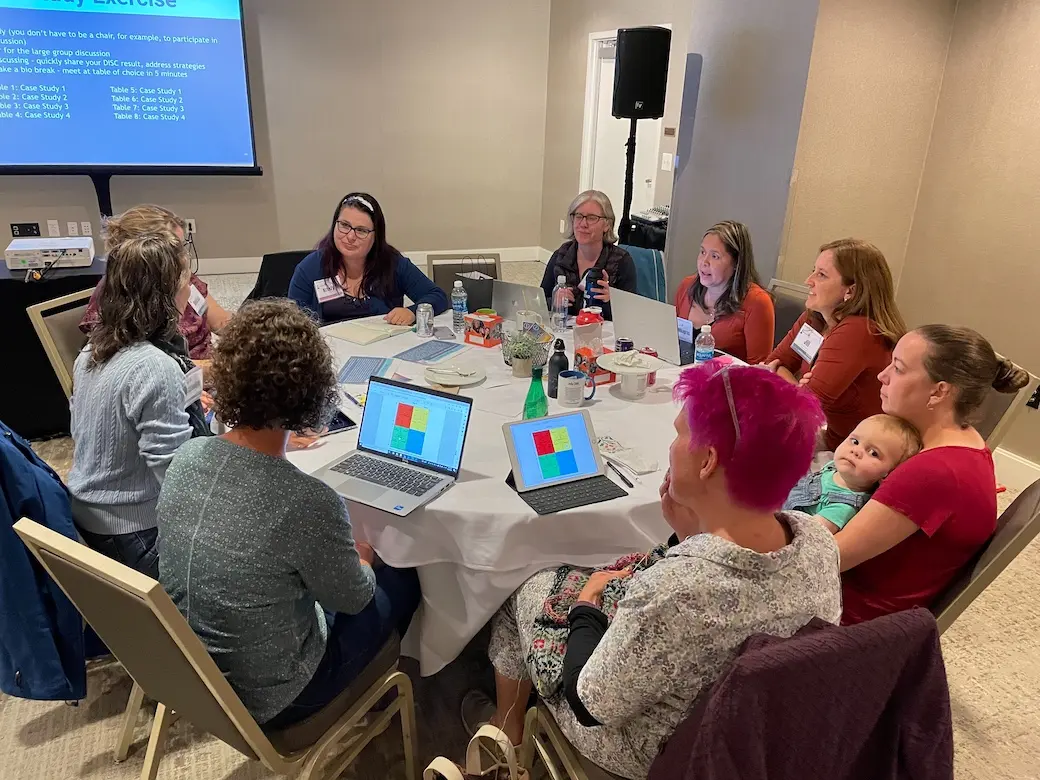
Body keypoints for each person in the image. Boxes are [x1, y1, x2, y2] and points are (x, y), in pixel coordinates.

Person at [469, 362, 842, 779]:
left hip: (654, 751)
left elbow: (589, 702)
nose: (673, 445)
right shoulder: (817, 542)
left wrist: (588, 602)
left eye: (680, 434)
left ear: (708, 461)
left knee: (524, 585)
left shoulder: (677, 590)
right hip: (753, 735)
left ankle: (508, 739)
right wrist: (688, 534)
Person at [157, 299, 421, 728]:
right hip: (278, 697)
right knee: (404, 574)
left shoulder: (187, 456)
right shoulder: (307, 500)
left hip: (196, 676)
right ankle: (375, 694)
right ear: (311, 392)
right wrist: (366, 555)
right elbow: (354, 596)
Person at [836, 325, 1029, 624]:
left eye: (898, 369)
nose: (882, 376)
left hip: (847, 622)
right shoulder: (966, 442)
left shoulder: (934, 472)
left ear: (939, 391)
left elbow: (828, 558)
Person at [67, 233, 210, 579]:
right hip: (137, 533)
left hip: (92, 517)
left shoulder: (91, 352)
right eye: (185, 283)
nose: (190, 293)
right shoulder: (155, 366)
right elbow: (180, 481)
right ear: (165, 296)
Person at [764, 238, 907, 451]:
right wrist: (796, 385)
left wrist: (789, 381)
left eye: (821, 275)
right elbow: (771, 364)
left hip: (859, 457)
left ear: (851, 291)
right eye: (814, 271)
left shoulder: (859, 331)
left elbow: (804, 409)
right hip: (831, 440)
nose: (808, 280)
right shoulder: (815, 318)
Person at [80, 204, 232, 365]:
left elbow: (220, 321)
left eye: (183, 247)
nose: (184, 256)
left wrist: (252, 333)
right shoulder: (123, 302)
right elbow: (155, 368)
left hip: (209, 368)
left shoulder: (181, 277)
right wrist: (225, 367)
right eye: (176, 250)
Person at [289, 192, 449, 326]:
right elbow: (294, 323)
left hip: (384, 350)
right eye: (344, 225)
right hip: (330, 354)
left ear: (376, 236)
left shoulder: (392, 263)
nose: (350, 236)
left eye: (361, 230)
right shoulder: (310, 267)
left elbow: (438, 296)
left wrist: (412, 312)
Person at [784, 414, 921, 534]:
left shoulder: (843, 508)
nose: (856, 451)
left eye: (873, 453)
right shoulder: (834, 467)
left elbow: (804, 536)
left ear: (888, 474)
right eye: (855, 441)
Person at [674, 221, 775, 364]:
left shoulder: (757, 302)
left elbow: (759, 371)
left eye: (715, 256)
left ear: (735, 263)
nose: (704, 262)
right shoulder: (686, 286)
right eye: (702, 252)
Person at [540, 190, 637, 321]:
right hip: (565, 333)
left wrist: (613, 301)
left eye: (592, 218)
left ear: (607, 225)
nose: (583, 224)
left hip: (603, 335)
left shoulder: (621, 261)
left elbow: (633, 316)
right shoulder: (560, 256)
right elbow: (539, 303)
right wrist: (553, 301)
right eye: (579, 216)